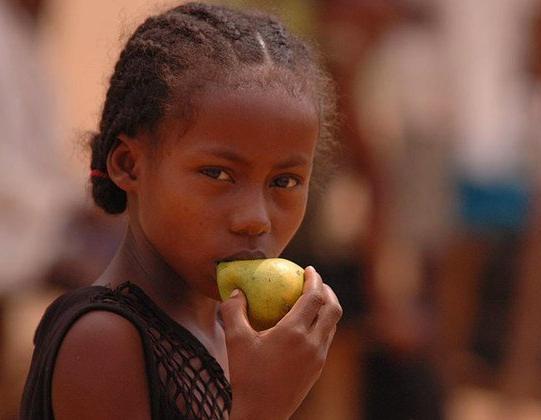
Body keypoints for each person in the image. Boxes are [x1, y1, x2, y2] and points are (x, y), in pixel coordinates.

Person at [20, 2, 343, 419]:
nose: (256, 218)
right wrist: (264, 407)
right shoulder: (104, 339)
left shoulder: (233, 337)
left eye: (284, 182)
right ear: (129, 164)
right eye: (218, 174)